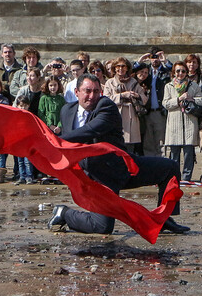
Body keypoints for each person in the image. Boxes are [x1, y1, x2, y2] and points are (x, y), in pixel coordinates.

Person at [48, 74, 189, 234]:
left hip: (122, 168)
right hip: (96, 180)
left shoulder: (106, 106)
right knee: (102, 227)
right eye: (87, 91)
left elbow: (90, 130)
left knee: (170, 168)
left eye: (96, 91)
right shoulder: (67, 111)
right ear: (76, 92)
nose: (92, 96)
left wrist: (56, 140)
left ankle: (164, 218)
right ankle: (64, 213)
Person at [162, 62, 202, 182]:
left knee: (189, 153)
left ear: (187, 72)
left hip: (189, 123)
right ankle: (174, 177)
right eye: (178, 71)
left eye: (183, 71)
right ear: (174, 73)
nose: (180, 73)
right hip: (174, 123)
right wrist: (178, 99)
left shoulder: (193, 85)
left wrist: (192, 99)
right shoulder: (169, 86)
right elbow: (165, 103)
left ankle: (187, 177)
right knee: (174, 154)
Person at [104, 58, 148, 154]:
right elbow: (106, 99)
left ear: (127, 68)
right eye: (118, 66)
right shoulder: (109, 83)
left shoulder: (134, 82)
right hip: (116, 116)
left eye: (123, 66)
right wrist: (122, 95)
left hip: (131, 118)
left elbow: (144, 99)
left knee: (129, 151)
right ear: (114, 68)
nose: (121, 68)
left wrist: (137, 96)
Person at [134, 46, 172, 157]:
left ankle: (162, 166)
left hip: (160, 111)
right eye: (152, 57)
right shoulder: (146, 71)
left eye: (157, 57)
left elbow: (176, 71)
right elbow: (131, 71)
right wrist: (140, 60)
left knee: (161, 142)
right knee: (148, 143)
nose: (155, 59)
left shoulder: (165, 72)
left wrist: (165, 60)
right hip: (147, 111)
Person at [14, 96, 36, 184]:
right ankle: (22, 176)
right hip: (19, 141)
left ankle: (29, 176)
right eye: (21, 105)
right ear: (17, 106)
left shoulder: (30, 116)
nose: (23, 107)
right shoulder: (16, 116)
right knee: (20, 161)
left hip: (27, 141)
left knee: (27, 160)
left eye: (25, 105)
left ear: (28, 106)